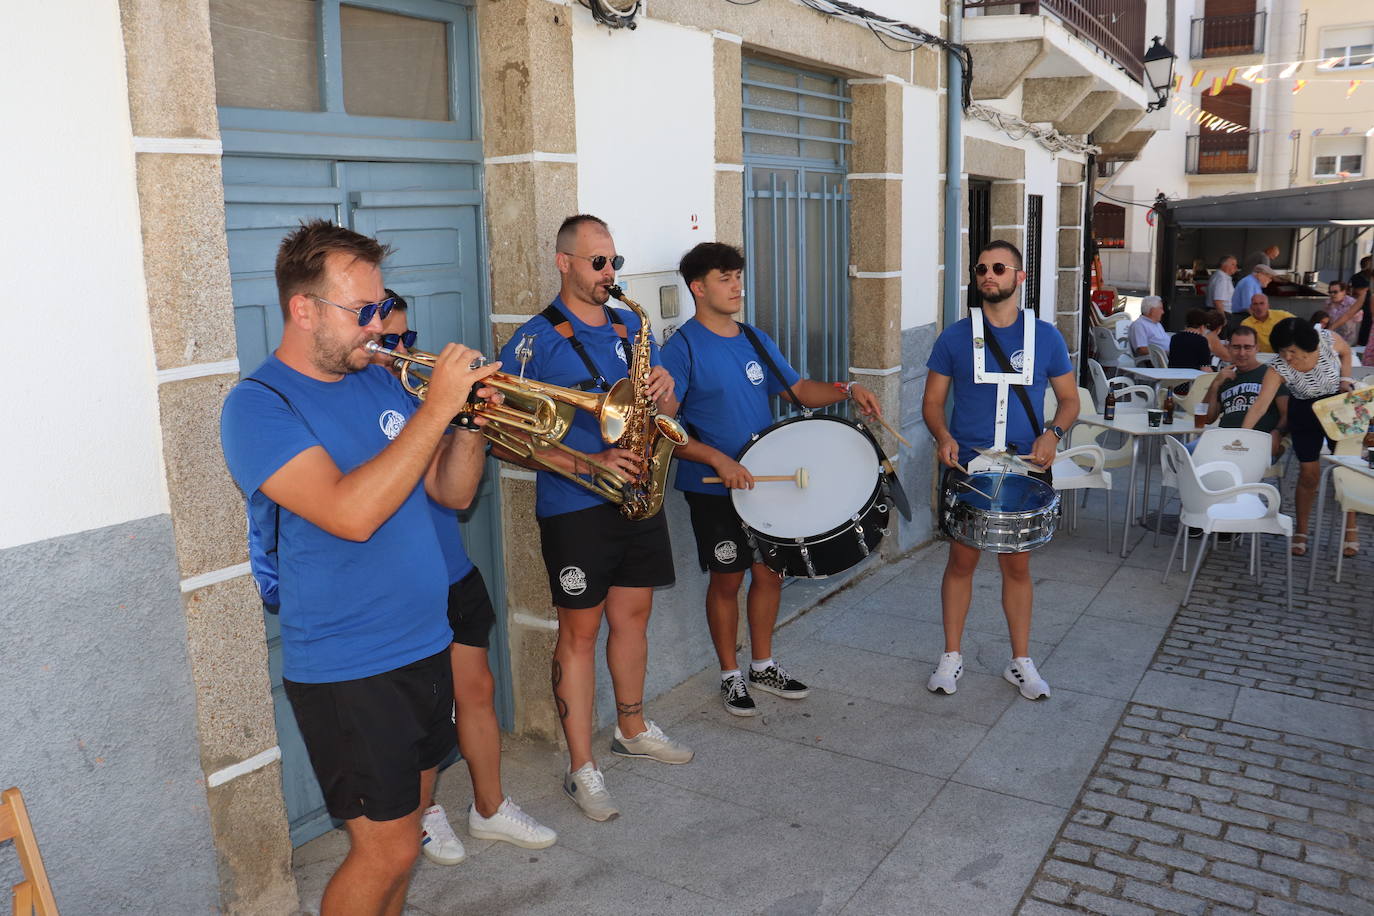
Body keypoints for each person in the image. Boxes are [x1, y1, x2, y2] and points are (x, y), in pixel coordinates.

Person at [220, 221, 499, 915]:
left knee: (409, 834)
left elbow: (452, 494)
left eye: (381, 309)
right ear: (303, 309)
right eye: (362, 312)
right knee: (387, 851)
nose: (378, 327)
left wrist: (467, 424)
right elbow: (351, 513)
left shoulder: (379, 382)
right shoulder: (260, 406)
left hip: (424, 642)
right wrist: (436, 411)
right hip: (351, 666)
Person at [495, 214, 692, 823]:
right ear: (565, 262)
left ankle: (631, 728)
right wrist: (586, 462)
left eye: (615, 262)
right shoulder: (533, 341)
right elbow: (500, 437)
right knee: (579, 636)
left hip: (638, 497)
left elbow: (665, 414)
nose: (610, 274)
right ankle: (582, 768)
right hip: (575, 506)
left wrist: (665, 391)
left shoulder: (631, 326)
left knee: (633, 618)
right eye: (597, 262)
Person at [369, 293, 557, 863]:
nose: (405, 351)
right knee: (419, 716)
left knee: (477, 693)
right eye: (391, 342)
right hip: (400, 588)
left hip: (452, 572)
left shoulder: (420, 390)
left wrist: (471, 422)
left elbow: (454, 492)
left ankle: (490, 808)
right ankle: (423, 814)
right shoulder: (354, 401)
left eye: (408, 337)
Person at [660, 242, 883, 716]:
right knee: (727, 579)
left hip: (768, 483)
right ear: (698, 288)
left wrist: (847, 388)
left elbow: (798, 390)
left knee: (770, 573)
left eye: (738, 275)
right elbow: (666, 429)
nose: (737, 285)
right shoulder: (679, 349)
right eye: (725, 278)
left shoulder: (754, 338)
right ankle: (729, 674)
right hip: (713, 487)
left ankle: (763, 664)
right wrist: (716, 460)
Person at [923, 240, 1079, 701]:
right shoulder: (954, 336)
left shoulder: (1046, 335)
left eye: (998, 268)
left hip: (1025, 466)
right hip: (971, 464)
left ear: (1020, 277)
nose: (988, 275)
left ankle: (1021, 661)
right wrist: (943, 437)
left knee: (1017, 566)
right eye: (981, 268)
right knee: (961, 561)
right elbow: (932, 402)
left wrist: (1052, 433)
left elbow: (1069, 400)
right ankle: (951, 657)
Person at [1241, 317, 1355, 557]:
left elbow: (1346, 352)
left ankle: (1350, 528)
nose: (1287, 356)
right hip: (1304, 412)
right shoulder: (1278, 367)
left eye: (1292, 351)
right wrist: (1242, 437)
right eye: (1282, 350)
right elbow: (1260, 406)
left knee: (1347, 471)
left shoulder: (1326, 340)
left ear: (1308, 346)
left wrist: (1346, 380)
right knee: (1308, 473)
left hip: (1338, 406)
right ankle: (1302, 530)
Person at [1200, 325, 1288, 458]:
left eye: (1247, 347)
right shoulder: (1225, 377)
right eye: (1236, 347)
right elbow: (1207, 418)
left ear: (1256, 348)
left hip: (1257, 444)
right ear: (1228, 348)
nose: (1241, 353)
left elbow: (1287, 413)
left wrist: (1278, 432)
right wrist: (1215, 384)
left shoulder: (1271, 376)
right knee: (1181, 454)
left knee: (1199, 457)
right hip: (1222, 441)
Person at [1128, 296, 1170, 360]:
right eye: (1161, 308)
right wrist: (1164, 352)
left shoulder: (1157, 324)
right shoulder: (1139, 325)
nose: (1163, 312)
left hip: (1166, 358)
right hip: (1155, 361)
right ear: (1152, 310)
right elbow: (1141, 349)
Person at [1349, 256, 1372, 347]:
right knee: (1364, 330)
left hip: (1370, 306)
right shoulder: (1357, 277)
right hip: (1362, 307)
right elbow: (1358, 292)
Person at [1207, 255, 1238, 320]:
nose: (1236, 267)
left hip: (1217, 312)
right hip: (1222, 313)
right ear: (1224, 265)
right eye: (1233, 264)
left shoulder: (1218, 276)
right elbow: (1218, 301)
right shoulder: (1222, 279)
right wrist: (1222, 319)